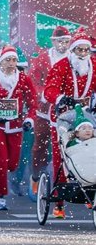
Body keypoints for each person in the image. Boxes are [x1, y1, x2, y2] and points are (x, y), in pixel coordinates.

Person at [42, 29, 96, 219]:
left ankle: (90, 189)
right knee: (61, 156)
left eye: (85, 50)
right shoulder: (61, 66)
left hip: (88, 116)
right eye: (79, 50)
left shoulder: (94, 65)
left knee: (92, 151)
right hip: (64, 116)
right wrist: (61, 98)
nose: (82, 54)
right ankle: (59, 202)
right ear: (72, 51)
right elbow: (49, 89)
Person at [0, 46, 37, 211]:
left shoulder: (23, 80)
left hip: (16, 126)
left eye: (14, 60)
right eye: (7, 60)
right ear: (1, 61)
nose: (11, 63)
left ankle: (11, 173)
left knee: (13, 163)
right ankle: (1, 197)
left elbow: (33, 103)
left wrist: (29, 119)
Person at [28, 26, 70, 198]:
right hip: (44, 112)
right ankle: (36, 176)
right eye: (60, 41)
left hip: (67, 114)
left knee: (69, 147)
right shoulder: (43, 59)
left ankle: (72, 184)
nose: (63, 45)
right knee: (40, 146)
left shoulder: (73, 59)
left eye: (66, 41)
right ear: (53, 42)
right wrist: (47, 94)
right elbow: (33, 82)